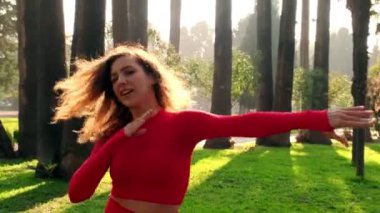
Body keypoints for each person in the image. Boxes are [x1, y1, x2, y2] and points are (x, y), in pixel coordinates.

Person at [53, 44, 374, 213]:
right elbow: (77, 194)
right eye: (114, 79)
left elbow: (247, 123)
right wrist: (120, 137)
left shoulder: (183, 124)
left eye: (128, 72)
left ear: (152, 76)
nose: (121, 81)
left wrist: (318, 118)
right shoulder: (112, 134)